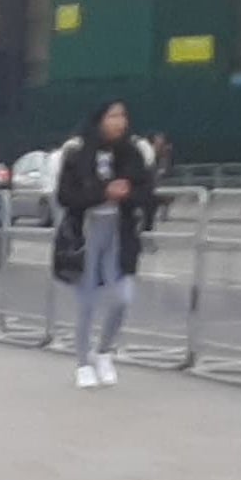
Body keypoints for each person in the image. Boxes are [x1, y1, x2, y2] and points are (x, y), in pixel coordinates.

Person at [53, 97, 156, 387]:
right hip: (87, 230)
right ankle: (83, 362)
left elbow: (148, 192)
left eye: (122, 116)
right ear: (99, 119)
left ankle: (104, 351)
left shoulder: (134, 152)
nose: (118, 122)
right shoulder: (76, 152)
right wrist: (103, 193)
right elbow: (65, 196)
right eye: (112, 116)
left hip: (119, 230)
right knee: (87, 300)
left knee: (122, 296)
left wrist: (128, 195)